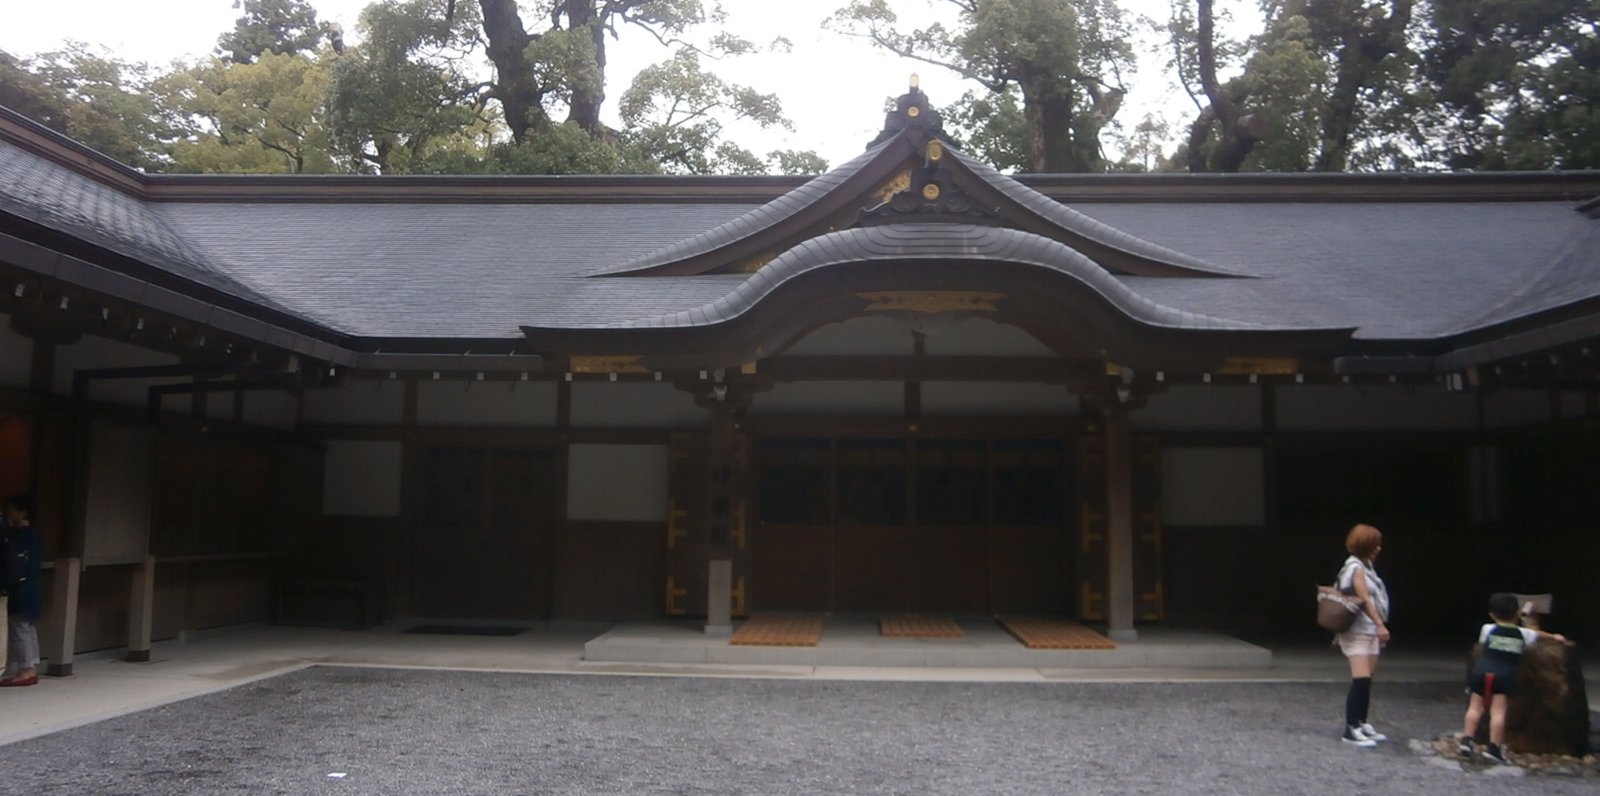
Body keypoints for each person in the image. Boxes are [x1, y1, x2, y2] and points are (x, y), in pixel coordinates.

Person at [1459, 592, 1568, 765]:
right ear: (1517, 614)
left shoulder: (1487, 629)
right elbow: (1538, 634)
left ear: (1492, 615)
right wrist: (1555, 636)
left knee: (1475, 708)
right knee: (1498, 712)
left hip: (1481, 672)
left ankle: (1467, 741)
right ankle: (1494, 748)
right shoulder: (1524, 634)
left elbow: (1482, 643)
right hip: (1504, 676)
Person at [1335, 523, 1390, 747]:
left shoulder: (1366, 567)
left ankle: (1362, 722)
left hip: (1368, 630)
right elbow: (1365, 599)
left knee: (1367, 680)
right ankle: (1351, 727)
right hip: (1358, 630)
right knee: (1361, 679)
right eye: (1375, 544)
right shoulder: (1355, 567)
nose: (1379, 548)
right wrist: (1380, 625)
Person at [2, 494, 43, 687]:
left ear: (23, 512)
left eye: (12, 510)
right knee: (27, 627)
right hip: (31, 587)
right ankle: (31, 664)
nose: (9, 513)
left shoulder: (19, 536)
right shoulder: (32, 535)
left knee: (20, 628)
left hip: (21, 588)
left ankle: (26, 669)